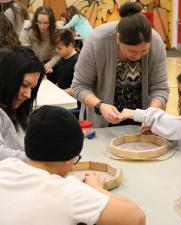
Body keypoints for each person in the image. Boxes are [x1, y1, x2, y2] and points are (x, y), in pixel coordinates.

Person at [0, 105, 146, 225]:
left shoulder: (6, 166)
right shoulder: (68, 192)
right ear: (67, 158)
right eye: (76, 158)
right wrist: (95, 188)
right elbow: (137, 218)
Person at [71, 2, 169, 128]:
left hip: (142, 123)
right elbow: (79, 86)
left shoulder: (155, 42)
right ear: (118, 38)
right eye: (132, 51)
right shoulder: (97, 41)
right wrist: (100, 106)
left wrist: (149, 115)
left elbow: (160, 87)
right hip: (102, 121)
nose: (138, 56)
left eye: (144, 51)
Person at [0, 45, 44, 161]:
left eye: (32, 88)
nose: (28, 95)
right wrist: (45, 161)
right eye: (24, 85)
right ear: (5, 78)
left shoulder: (16, 109)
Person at [19, 5, 60, 74]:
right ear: (35, 20)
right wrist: (37, 66)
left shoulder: (57, 30)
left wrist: (51, 64)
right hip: (32, 62)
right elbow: (26, 52)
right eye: (39, 22)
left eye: (46, 23)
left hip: (52, 63)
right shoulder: (28, 29)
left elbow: (59, 53)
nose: (42, 26)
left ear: (51, 22)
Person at [53, 29, 79, 95]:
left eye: (59, 48)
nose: (57, 50)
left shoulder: (77, 61)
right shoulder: (63, 57)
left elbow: (79, 87)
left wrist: (61, 93)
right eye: (56, 48)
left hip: (70, 99)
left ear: (70, 46)